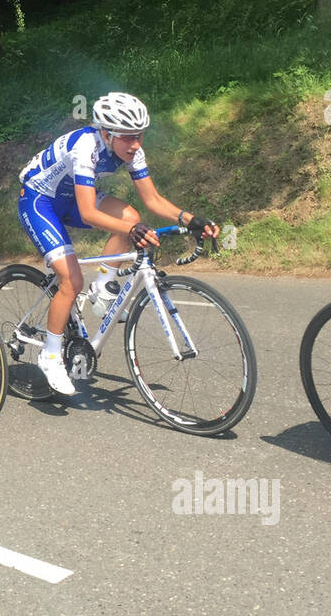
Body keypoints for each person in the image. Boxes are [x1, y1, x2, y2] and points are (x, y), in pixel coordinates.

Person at [17, 92, 219, 396]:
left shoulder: (133, 150)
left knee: (131, 215)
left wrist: (190, 219)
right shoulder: (85, 147)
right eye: (127, 138)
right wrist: (133, 229)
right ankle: (49, 355)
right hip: (39, 200)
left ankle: (104, 287)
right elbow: (89, 213)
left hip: (69, 198)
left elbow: (152, 199)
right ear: (106, 134)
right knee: (71, 281)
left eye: (139, 136)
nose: (135, 144)